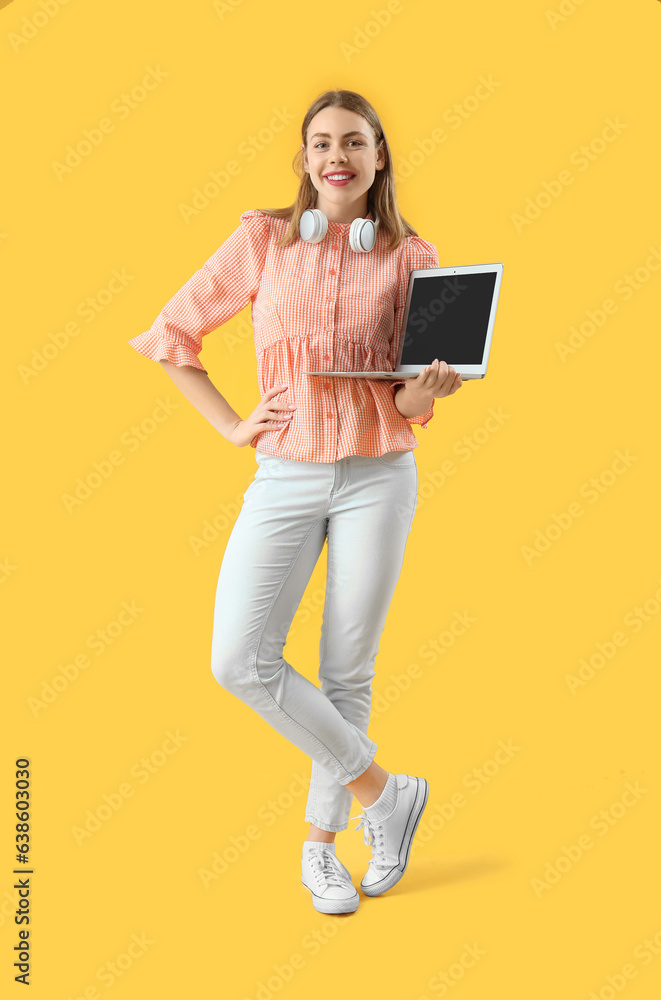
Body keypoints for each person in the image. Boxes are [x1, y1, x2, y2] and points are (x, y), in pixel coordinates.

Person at [128, 88, 463, 914]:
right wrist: (232, 427)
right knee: (239, 659)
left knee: (346, 668)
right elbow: (172, 335)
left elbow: (409, 404)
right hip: (284, 471)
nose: (335, 157)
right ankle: (387, 794)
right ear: (305, 160)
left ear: (379, 155)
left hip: (379, 472)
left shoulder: (413, 257)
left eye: (353, 142)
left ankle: (323, 849)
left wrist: (428, 392)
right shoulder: (262, 239)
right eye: (320, 144)